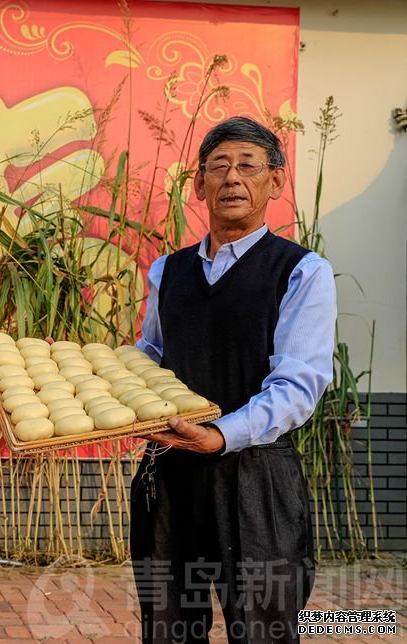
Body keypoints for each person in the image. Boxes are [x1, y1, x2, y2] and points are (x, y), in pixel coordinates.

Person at [131, 117, 336, 644]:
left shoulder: (301, 271)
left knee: (265, 628)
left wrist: (220, 435)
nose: (232, 179)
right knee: (169, 628)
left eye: (248, 166)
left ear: (276, 181)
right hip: (171, 473)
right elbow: (150, 356)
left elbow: (299, 384)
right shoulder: (167, 271)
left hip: (256, 477)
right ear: (198, 185)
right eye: (218, 167)